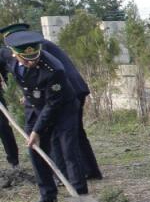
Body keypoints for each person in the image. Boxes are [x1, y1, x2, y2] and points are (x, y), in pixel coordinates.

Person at [1, 21, 101, 180]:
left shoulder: (36, 48)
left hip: (66, 92)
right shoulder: (38, 44)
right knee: (77, 133)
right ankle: (90, 170)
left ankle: (67, 175)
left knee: (60, 136)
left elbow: (42, 76)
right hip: (74, 87)